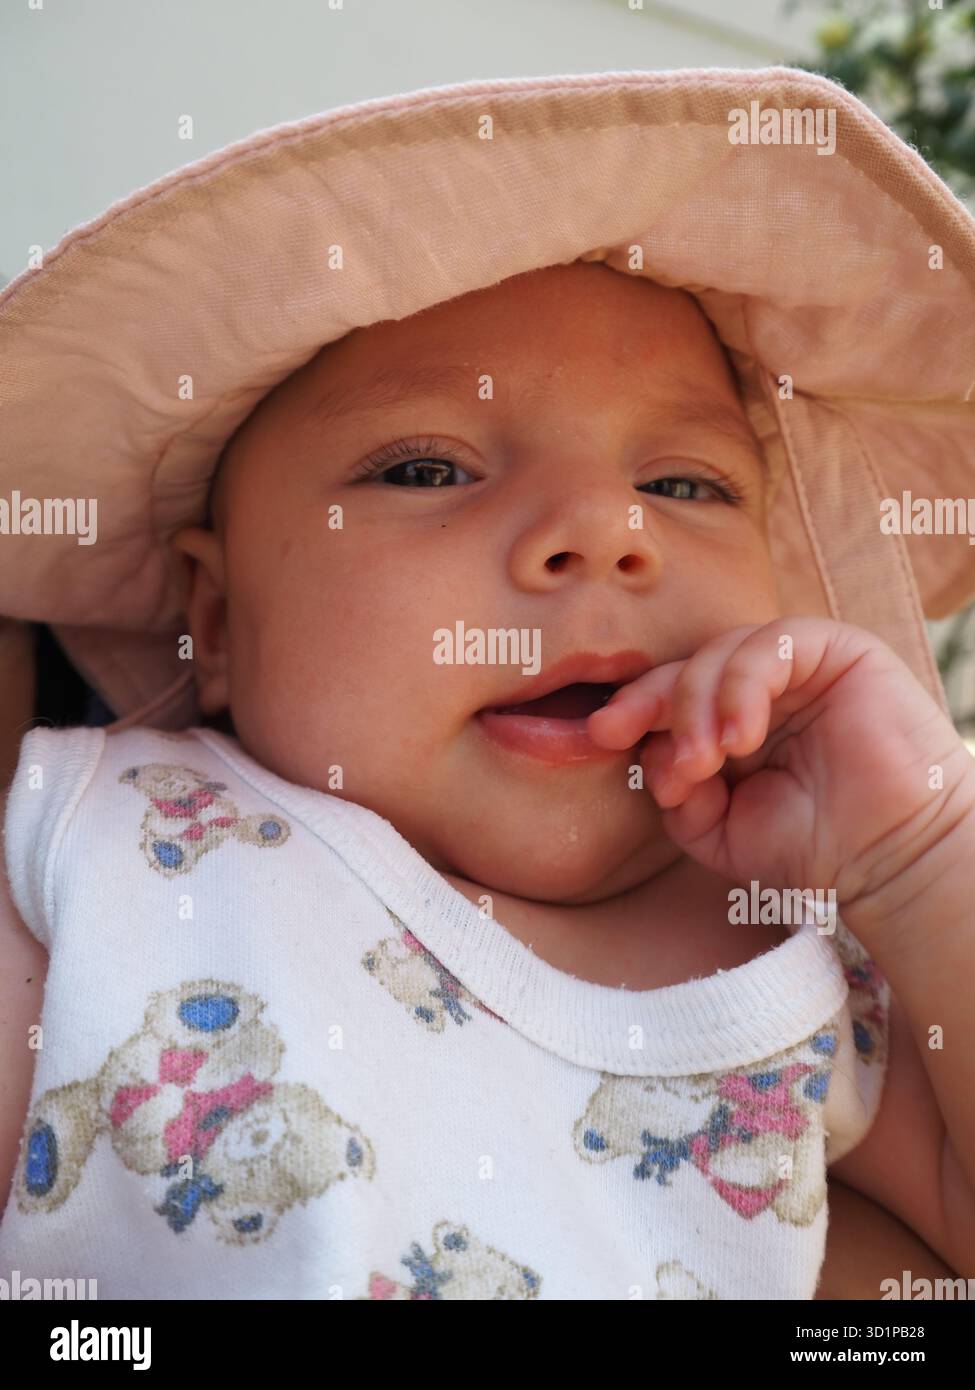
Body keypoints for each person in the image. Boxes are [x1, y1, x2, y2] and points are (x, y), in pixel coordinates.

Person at [0, 67, 973, 1300]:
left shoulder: (804, 952)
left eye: (685, 485)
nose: (605, 531)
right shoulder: (111, 845)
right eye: (424, 468)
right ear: (219, 616)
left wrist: (927, 850)